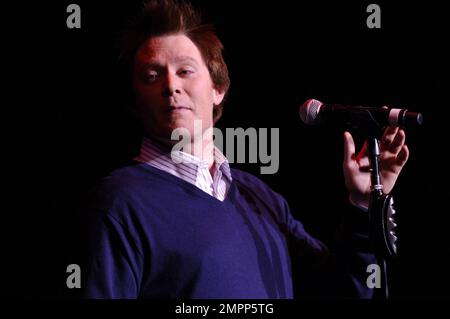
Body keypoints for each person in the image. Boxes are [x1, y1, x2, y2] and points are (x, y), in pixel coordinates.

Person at [81, 0, 410, 299]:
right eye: (152, 76)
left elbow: (343, 291)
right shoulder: (120, 202)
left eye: (185, 71)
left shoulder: (260, 196)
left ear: (218, 89)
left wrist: (362, 205)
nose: (171, 86)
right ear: (136, 101)